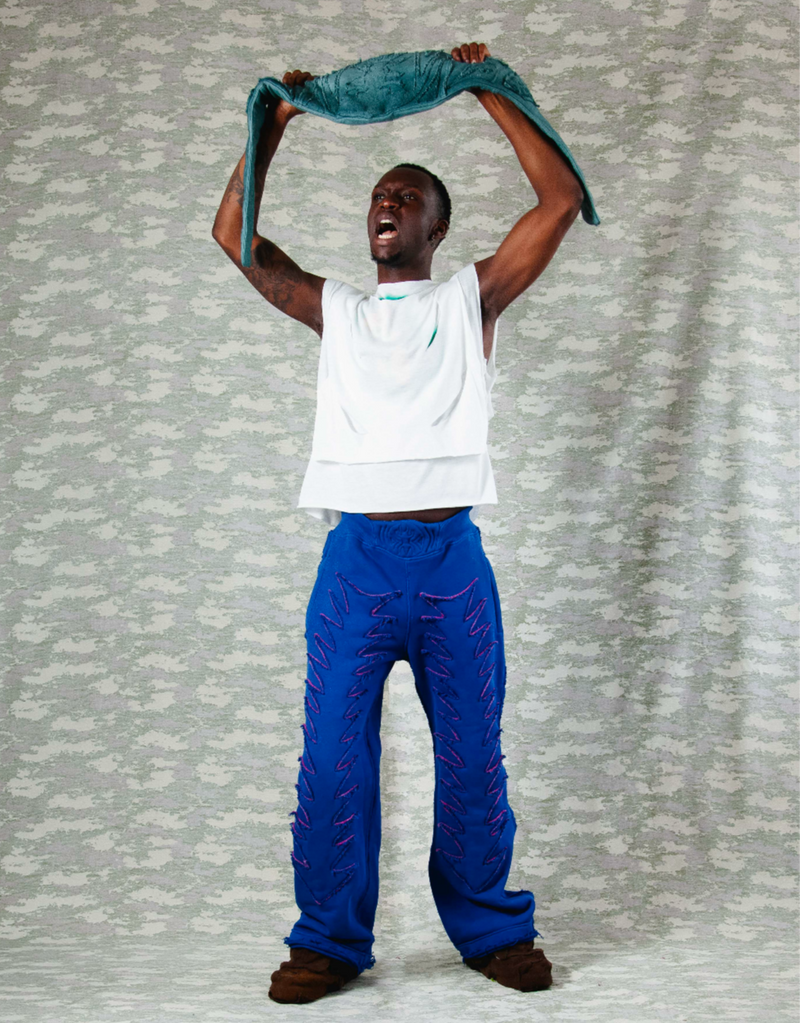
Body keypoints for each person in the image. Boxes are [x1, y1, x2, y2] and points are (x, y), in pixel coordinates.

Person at [212, 41, 585, 1004]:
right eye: (379, 194)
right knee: (333, 755)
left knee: (472, 758)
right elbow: (235, 239)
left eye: (408, 196)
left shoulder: (471, 298)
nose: (388, 204)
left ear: (436, 224)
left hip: (452, 564)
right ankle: (330, 940)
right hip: (358, 564)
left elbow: (554, 205)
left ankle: (492, 930)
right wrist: (275, 122)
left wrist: (488, 87)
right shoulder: (338, 311)